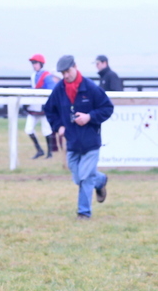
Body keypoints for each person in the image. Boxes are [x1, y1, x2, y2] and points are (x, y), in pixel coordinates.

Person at [44, 55, 114, 220]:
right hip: (72, 142)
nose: (66, 75)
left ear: (75, 67)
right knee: (78, 177)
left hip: (91, 142)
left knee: (85, 177)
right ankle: (101, 180)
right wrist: (59, 126)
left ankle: (84, 213)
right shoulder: (59, 89)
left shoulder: (90, 88)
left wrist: (89, 117)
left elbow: (107, 108)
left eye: (67, 71)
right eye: (62, 73)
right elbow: (49, 110)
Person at [26, 54, 59, 159]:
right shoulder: (33, 76)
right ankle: (39, 150)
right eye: (33, 63)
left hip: (44, 107)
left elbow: (51, 91)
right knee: (28, 129)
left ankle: (50, 153)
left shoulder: (47, 76)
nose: (34, 65)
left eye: (35, 63)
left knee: (46, 130)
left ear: (41, 64)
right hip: (34, 107)